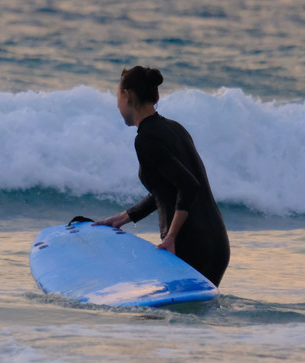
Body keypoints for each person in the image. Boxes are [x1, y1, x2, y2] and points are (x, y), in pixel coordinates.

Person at [95, 66, 230, 287]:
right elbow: (167, 188)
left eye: (117, 95)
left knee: (156, 318)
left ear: (126, 95)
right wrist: (123, 218)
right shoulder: (175, 128)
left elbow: (188, 185)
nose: (117, 102)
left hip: (191, 246)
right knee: (183, 319)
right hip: (215, 244)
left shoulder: (146, 139)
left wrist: (171, 238)